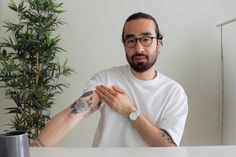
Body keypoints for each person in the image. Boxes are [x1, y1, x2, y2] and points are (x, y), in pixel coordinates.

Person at [31, 12, 188, 147]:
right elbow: (71, 115)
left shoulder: (174, 92)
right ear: (124, 45)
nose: (139, 48)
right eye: (131, 41)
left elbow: (168, 147)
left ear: (159, 43)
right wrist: (32, 149)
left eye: (146, 39)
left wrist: (130, 112)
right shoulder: (107, 79)